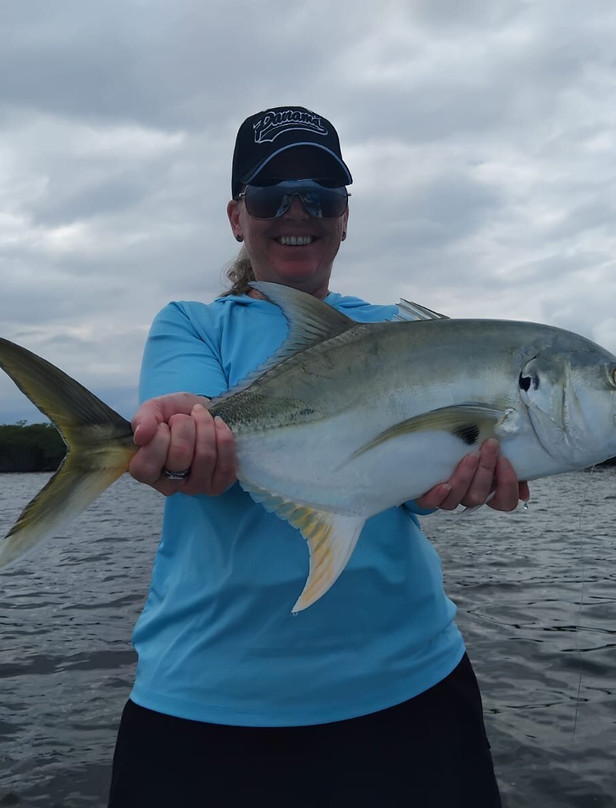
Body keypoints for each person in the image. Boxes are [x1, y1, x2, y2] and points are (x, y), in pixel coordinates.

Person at [109, 106, 528, 807]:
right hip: (206, 703)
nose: (296, 212)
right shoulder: (191, 324)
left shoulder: (398, 332)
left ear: (344, 216)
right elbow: (189, 422)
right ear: (238, 216)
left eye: (322, 197)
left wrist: (460, 476)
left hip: (411, 688)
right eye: (272, 196)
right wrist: (180, 444)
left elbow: (414, 487)